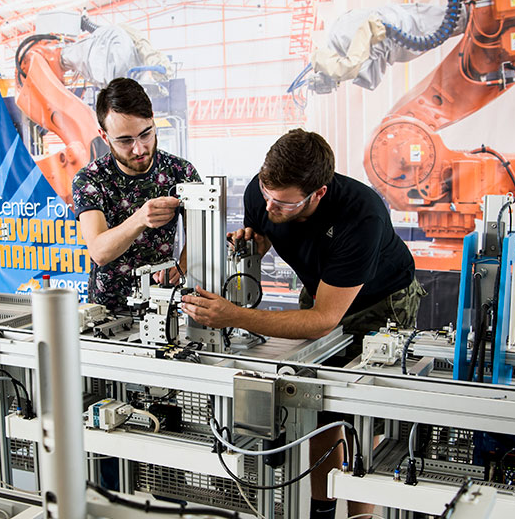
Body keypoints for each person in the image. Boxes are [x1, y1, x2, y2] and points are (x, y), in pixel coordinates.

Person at [181, 128, 425, 519]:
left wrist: (233, 314)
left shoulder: (361, 215)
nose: (270, 206)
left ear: (318, 194)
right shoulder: (263, 194)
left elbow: (322, 321)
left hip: (380, 301)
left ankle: (361, 514)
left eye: (284, 203)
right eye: (266, 193)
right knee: (316, 404)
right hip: (321, 289)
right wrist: (253, 245)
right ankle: (321, 509)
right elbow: (265, 235)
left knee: (363, 415)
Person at [72, 77, 201, 311]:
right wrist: (140, 219)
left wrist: (182, 264)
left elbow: (200, 234)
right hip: (107, 315)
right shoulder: (90, 179)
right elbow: (99, 252)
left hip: (162, 308)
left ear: (153, 122)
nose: (139, 148)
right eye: (125, 141)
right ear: (104, 136)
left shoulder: (180, 171)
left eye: (145, 134)